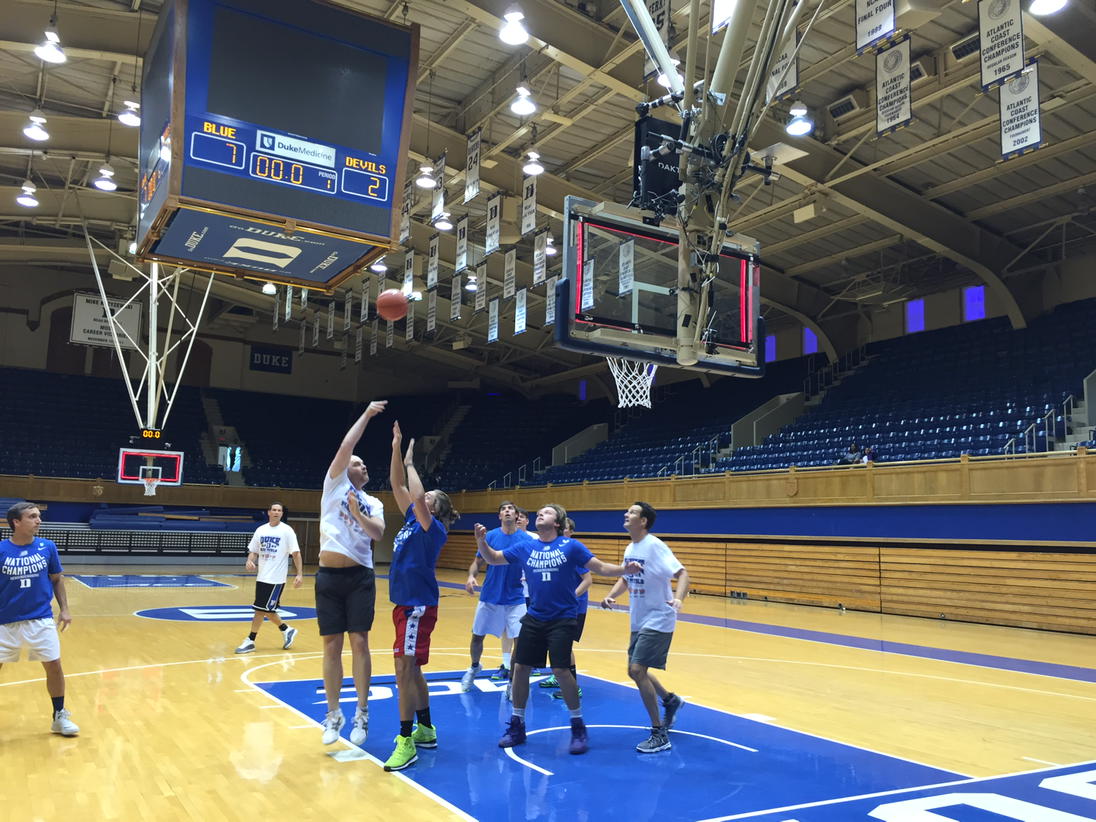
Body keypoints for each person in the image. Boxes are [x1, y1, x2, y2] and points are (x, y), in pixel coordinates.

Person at [475, 504, 641, 755]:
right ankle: (517, 724)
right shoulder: (525, 546)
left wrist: (623, 569)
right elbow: (493, 559)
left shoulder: (570, 546)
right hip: (534, 616)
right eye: (539, 512)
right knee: (520, 668)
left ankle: (577, 726)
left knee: (561, 670)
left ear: (557, 523)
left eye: (547, 512)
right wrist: (481, 541)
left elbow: (600, 568)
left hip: (562, 618)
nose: (540, 514)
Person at [383, 422, 459, 772]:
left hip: (417, 606)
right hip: (405, 604)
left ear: (437, 511)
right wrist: (397, 447)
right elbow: (397, 486)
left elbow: (413, 492)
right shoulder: (412, 522)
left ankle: (405, 739)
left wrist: (414, 464)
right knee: (412, 672)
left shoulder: (435, 528)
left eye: (431, 499)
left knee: (403, 669)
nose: (423, 498)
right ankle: (426, 728)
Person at [316, 400, 387, 747]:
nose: (362, 465)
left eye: (363, 464)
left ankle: (361, 712)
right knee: (331, 646)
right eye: (357, 463)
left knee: (360, 642)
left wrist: (359, 514)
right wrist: (368, 414)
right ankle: (333, 714)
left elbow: (377, 534)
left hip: (359, 577)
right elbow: (347, 445)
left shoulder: (374, 503)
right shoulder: (334, 485)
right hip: (328, 577)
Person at [601, 501, 689, 753]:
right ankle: (670, 701)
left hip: (660, 617)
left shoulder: (655, 546)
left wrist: (679, 598)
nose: (626, 514)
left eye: (632, 512)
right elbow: (627, 578)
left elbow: (683, 574)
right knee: (633, 671)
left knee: (638, 670)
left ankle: (659, 733)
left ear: (644, 521)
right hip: (639, 619)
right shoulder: (631, 547)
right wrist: (612, 595)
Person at [0, 502, 78, 736]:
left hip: (40, 617)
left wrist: (64, 609)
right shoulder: (2, 549)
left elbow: (57, 579)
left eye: (39, 516)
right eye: (32, 516)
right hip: (5, 620)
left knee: (54, 665)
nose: (38, 520)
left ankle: (59, 716)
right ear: (16, 522)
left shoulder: (47, 546)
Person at [461, 501, 531, 693]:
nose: (507, 511)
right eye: (503, 509)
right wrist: (470, 576)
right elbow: (477, 562)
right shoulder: (490, 536)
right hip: (490, 595)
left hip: (515, 599)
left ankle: (512, 681)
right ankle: (474, 667)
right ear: (499, 516)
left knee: (520, 641)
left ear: (517, 516)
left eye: (511, 509)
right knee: (477, 637)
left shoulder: (526, 540)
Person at [235, 502, 303, 654]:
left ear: (282, 514)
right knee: (266, 609)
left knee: (259, 610)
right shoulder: (261, 530)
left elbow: (296, 553)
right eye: (274, 510)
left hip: (276, 579)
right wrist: (249, 560)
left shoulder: (287, 531)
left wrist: (299, 573)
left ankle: (251, 640)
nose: (276, 512)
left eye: (279, 510)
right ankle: (287, 630)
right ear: (268, 512)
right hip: (262, 577)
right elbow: (253, 550)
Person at [541, 516, 590, 698]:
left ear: (571, 531)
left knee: (566, 647)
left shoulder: (574, 551)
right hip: (559, 607)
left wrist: (570, 596)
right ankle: (558, 677)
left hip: (574, 608)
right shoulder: (557, 551)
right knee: (557, 646)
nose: (564, 531)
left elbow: (588, 580)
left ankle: (573, 686)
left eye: (567, 528)